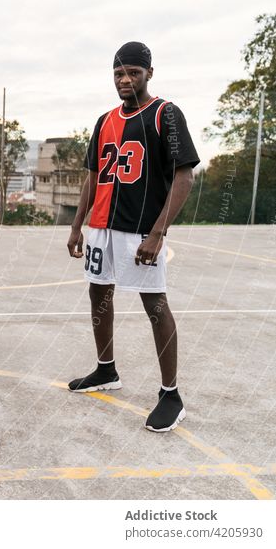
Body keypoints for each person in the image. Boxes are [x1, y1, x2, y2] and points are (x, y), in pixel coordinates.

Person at [66, 42, 199, 432]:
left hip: (140, 230)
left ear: (149, 73)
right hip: (102, 228)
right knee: (98, 293)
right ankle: (106, 369)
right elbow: (93, 175)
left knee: (155, 304)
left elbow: (184, 176)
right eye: (118, 74)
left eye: (133, 73)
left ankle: (171, 395)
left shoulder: (165, 114)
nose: (125, 80)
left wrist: (158, 232)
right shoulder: (105, 120)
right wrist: (77, 226)